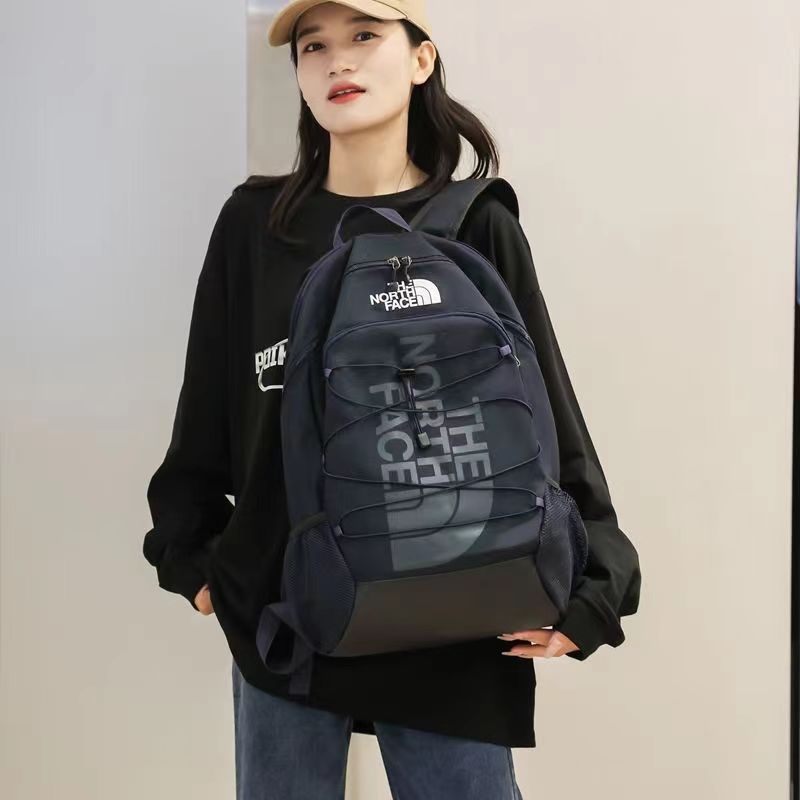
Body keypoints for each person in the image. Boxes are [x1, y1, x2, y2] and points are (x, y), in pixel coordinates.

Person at [142, 1, 642, 798]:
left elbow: (546, 412)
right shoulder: (253, 227)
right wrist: (192, 556)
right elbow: (206, 412)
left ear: (420, 59)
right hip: (288, 612)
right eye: (314, 46)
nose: (336, 61)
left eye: (364, 36)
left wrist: (596, 584)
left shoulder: (477, 224)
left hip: (459, 610)